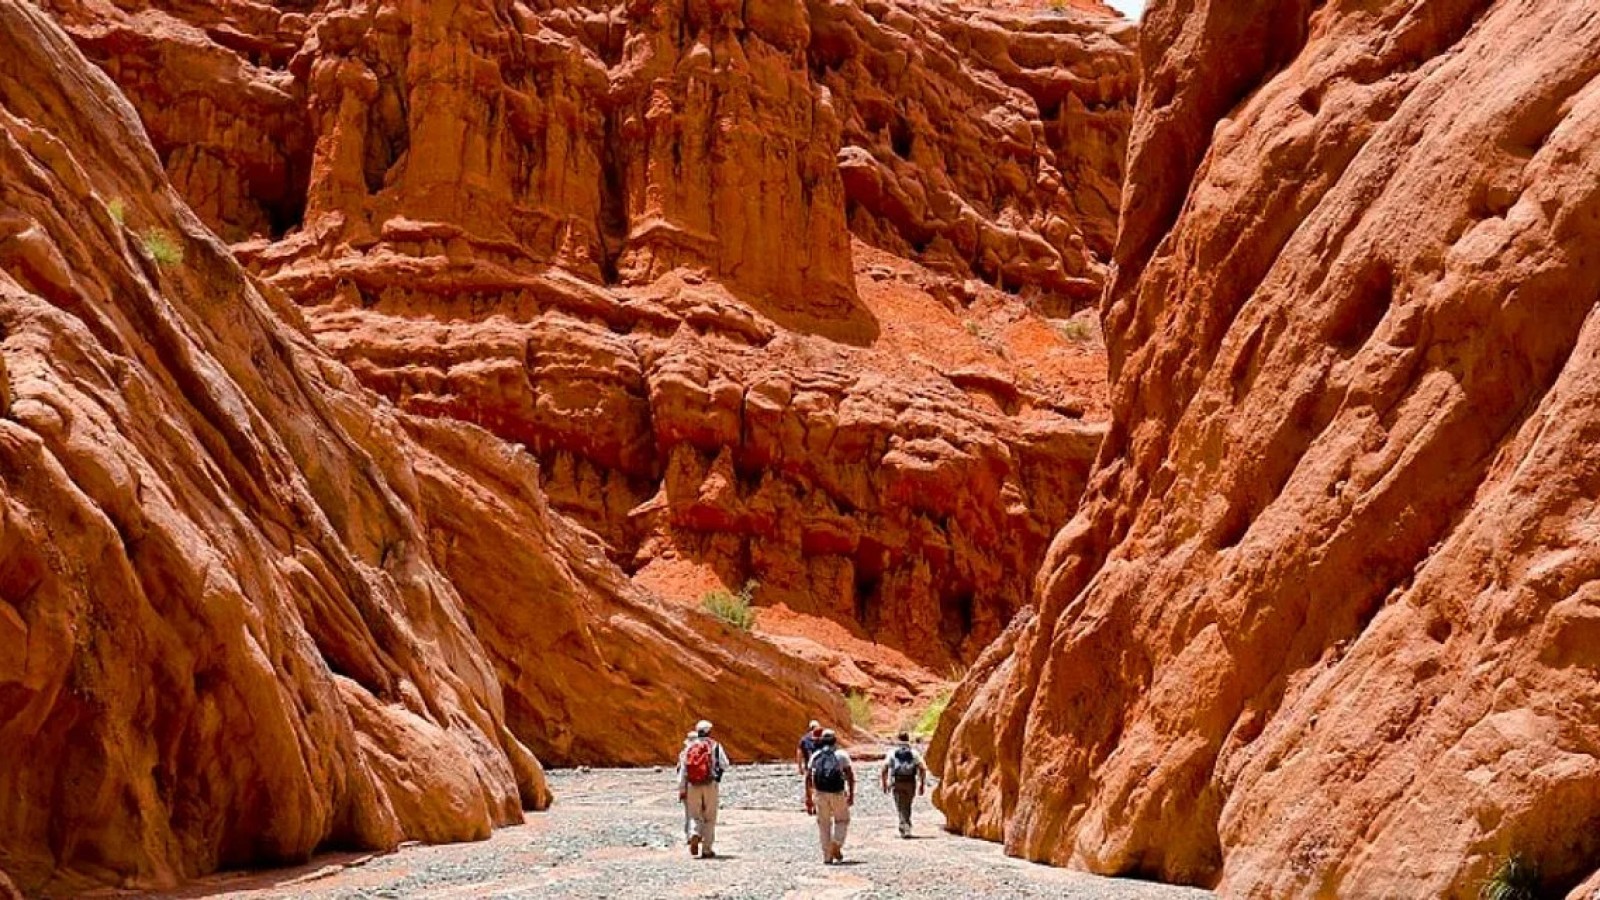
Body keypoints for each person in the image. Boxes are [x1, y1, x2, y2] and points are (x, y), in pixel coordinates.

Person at [677, 719, 731, 859]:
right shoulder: (715, 746)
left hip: (692, 784)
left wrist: (682, 788)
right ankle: (707, 849)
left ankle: (694, 833)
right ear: (709, 731)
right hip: (710, 784)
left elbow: (683, 769)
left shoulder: (689, 747)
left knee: (695, 814)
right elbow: (725, 764)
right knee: (710, 817)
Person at [804, 729, 855, 864]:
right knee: (842, 820)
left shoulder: (815, 756)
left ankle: (827, 856)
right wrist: (851, 794)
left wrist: (808, 798)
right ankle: (836, 844)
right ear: (835, 741)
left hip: (820, 793)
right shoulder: (841, 755)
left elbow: (808, 778)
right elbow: (850, 775)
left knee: (824, 824)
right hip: (838, 792)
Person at [879, 732, 928, 837]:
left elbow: (884, 769)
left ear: (898, 739)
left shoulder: (892, 752)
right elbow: (922, 768)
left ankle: (905, 828)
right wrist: (922, 784)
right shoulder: (914, 753)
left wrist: (884, 783)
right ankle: (906, 826)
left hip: (897, 781)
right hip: (910, 782)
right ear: (908, 739)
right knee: (907, 805)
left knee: (901, 805)